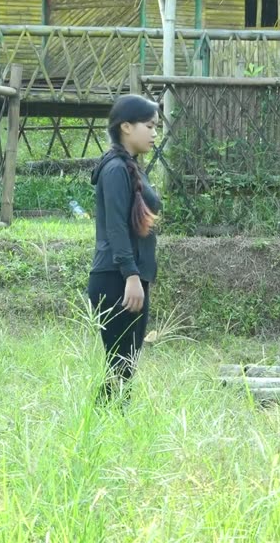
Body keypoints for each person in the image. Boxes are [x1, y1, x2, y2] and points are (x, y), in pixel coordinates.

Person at [88, 94, 163, 405]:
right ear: (127, 127)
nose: (155, 133)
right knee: (119, 364)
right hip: (116, 278)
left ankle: (112, 425)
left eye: (156, 127)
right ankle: (101, 423)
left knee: (125, 366)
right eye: (149, 126)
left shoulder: (130, 167)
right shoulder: (116, 169)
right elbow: (117, 227)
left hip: (128, 276)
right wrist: (131, 276)